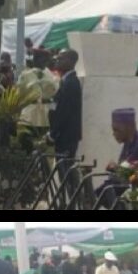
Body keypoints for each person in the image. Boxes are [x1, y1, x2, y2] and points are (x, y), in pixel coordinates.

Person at [48, 49, 83, 187]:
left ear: (70, 61)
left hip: (66, 136)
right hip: (63, 136)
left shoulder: (71, 83)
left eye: (61, 58)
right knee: (65, 174)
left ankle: (75, 198)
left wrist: (53, 134)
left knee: (67, 173)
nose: (57, 60)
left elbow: (63, 112)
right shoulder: (66, 81)